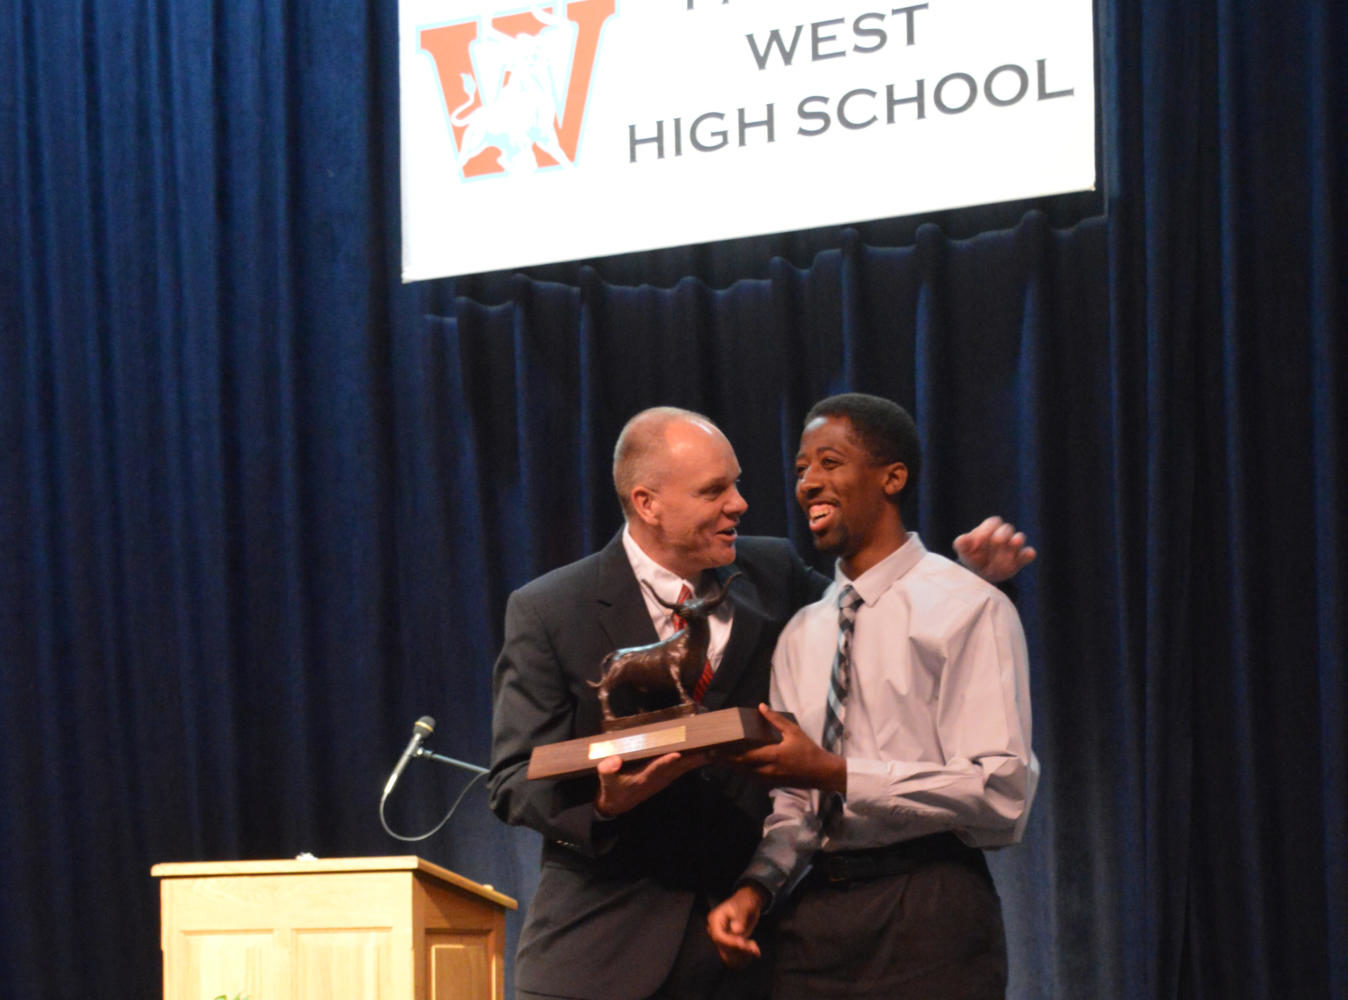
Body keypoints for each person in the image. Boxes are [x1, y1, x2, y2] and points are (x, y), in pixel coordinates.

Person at [487, 405, 1033, 1000]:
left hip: (749, 954)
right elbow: (514, 778)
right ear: (648, 503)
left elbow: (888, 617)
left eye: (737, 483)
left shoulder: (772, 575)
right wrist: (605, 804)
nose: (740, 504)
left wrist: (974, 582)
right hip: (602, 949)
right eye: (714, 489)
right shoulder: (549, 609)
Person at [706, 393, 1039, 999]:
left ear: (892, 477)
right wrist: (756, 888)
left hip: (931, 907)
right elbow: (796, 804)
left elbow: (1000, 789)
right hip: (818, 918)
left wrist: (837, 772)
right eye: (802, 468)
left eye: (830, 462)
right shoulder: (803, 634)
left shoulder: (967, 605)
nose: (809, 482)